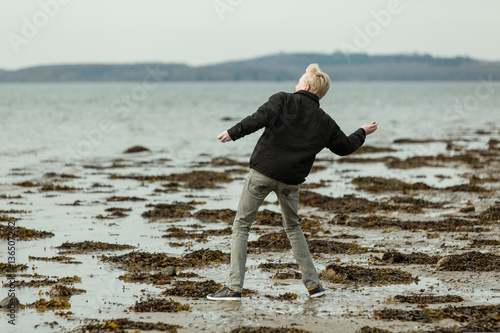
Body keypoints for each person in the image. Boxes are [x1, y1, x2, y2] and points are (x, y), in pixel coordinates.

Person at [207, 64, 378, 301]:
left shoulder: (283, 99)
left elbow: (258, 119)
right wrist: (362, 132)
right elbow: (345, 147)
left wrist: (232, 132)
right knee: (293, 228)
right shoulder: (324, 121)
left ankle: (234, 288)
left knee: (242, 226)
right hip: (290, 182)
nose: (296, 85)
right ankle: (314, 286)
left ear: (306, 86)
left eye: (299, 82)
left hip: (262, 173)